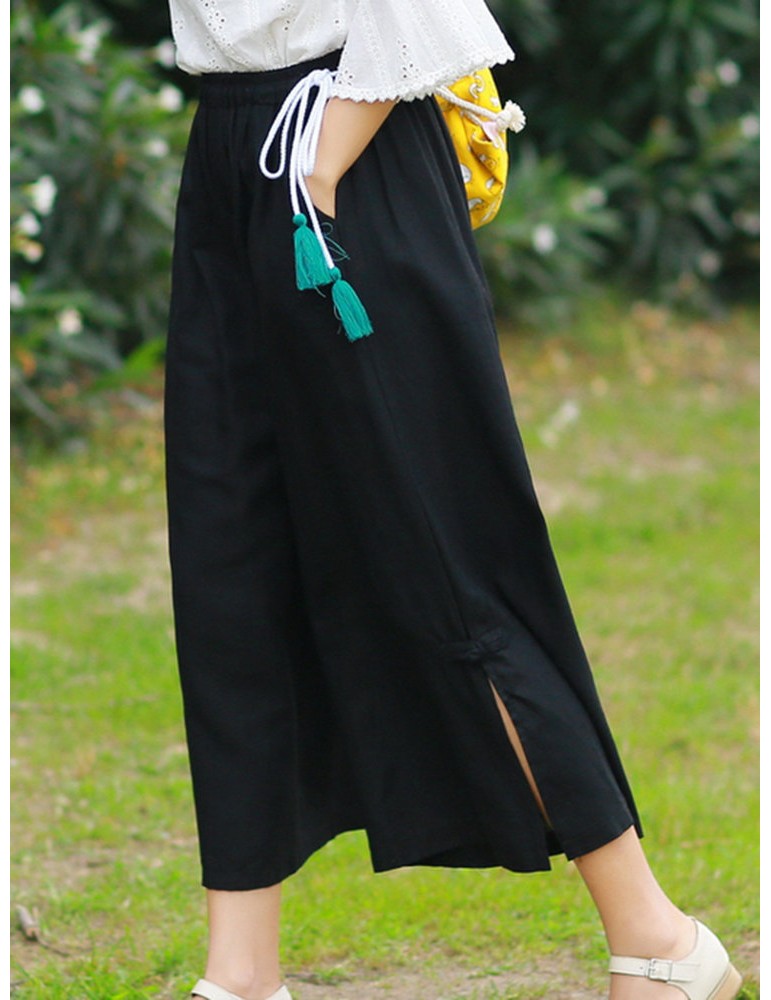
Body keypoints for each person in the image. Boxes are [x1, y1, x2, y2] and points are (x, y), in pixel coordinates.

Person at [161, 2, 743, 999]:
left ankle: (660, 942)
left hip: (347, 151)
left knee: (446, 567)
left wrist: (323, 170)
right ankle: (242, 974)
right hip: (229, 154)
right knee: (231, 570)